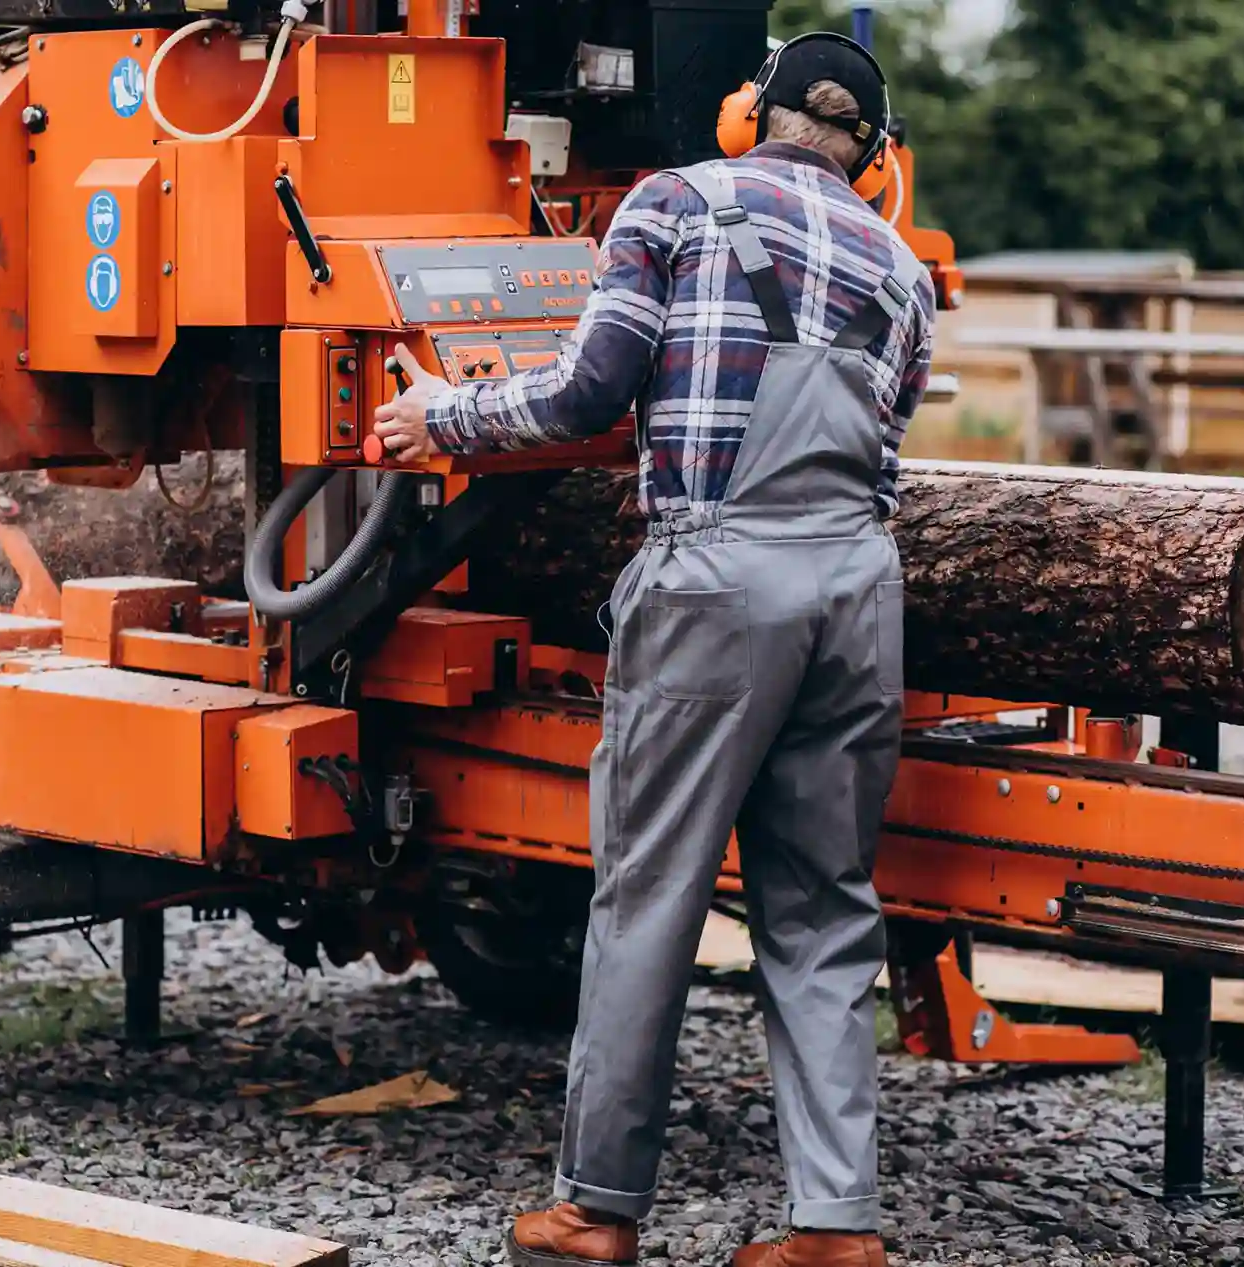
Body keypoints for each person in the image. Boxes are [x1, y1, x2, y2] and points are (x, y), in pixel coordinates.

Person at [372, 32, 935, 1267]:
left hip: (716, 583)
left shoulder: (676, 203)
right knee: (826, 910)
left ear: (753, 120)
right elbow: (883, 443)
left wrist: (438, 417)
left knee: (647, 898)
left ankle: (595, 1211)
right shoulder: (903, 269)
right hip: (856, 591)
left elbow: (584, 395)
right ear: (872, 153)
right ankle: (834, 1229)